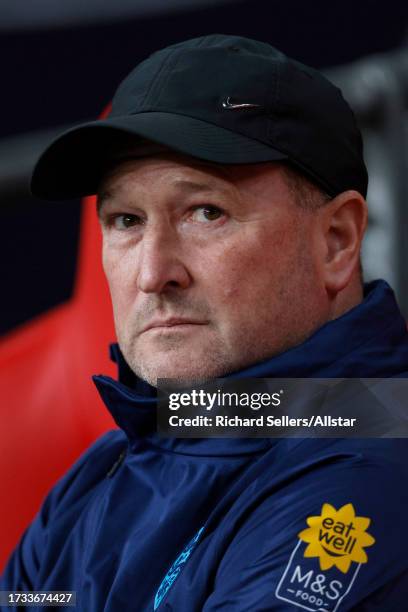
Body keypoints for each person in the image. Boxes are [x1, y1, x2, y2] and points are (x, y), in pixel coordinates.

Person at [1, 34, 408, 611]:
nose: (152, 272)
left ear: (336, 242)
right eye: (125, 220)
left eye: (205, 212)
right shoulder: (106, 468)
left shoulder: (363, 479)